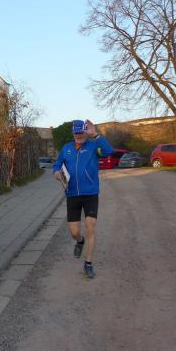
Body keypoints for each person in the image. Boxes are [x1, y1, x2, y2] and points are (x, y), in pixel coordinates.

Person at [53, 119, 113, 279]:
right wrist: (56, 172)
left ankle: (88, 263)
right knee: (74, 232)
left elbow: (108, 151)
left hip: (90, 194)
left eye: (81, 132)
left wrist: (96, 135)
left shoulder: (93, 146)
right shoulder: (66, 148)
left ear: (85, 132)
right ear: (73, 133)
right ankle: (79, 241)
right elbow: (57, 164)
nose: (78, 135)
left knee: (90, 227)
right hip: (72, 194)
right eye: (76, 133)